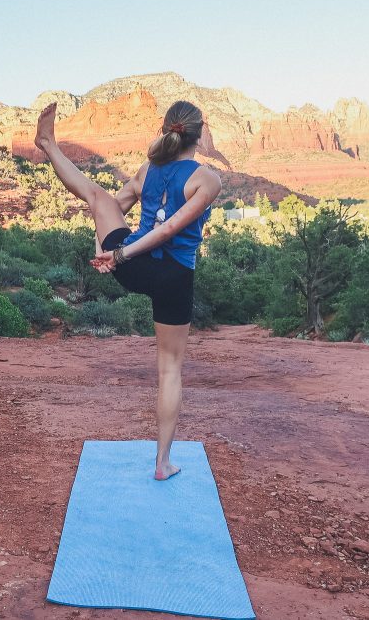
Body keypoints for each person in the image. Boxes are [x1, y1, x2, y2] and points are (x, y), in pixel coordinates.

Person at [33, 100, 223, 480]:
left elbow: (106, 205)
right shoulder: (207, 179)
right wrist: (115, 254)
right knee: (170, 371)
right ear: (199, 135)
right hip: (171, 276)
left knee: (96, 195)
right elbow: (168, 231)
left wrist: (110, 250)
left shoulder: (147, 169)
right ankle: (162, 463)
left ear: (166, 128)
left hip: (133, 267)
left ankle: (49, 146)